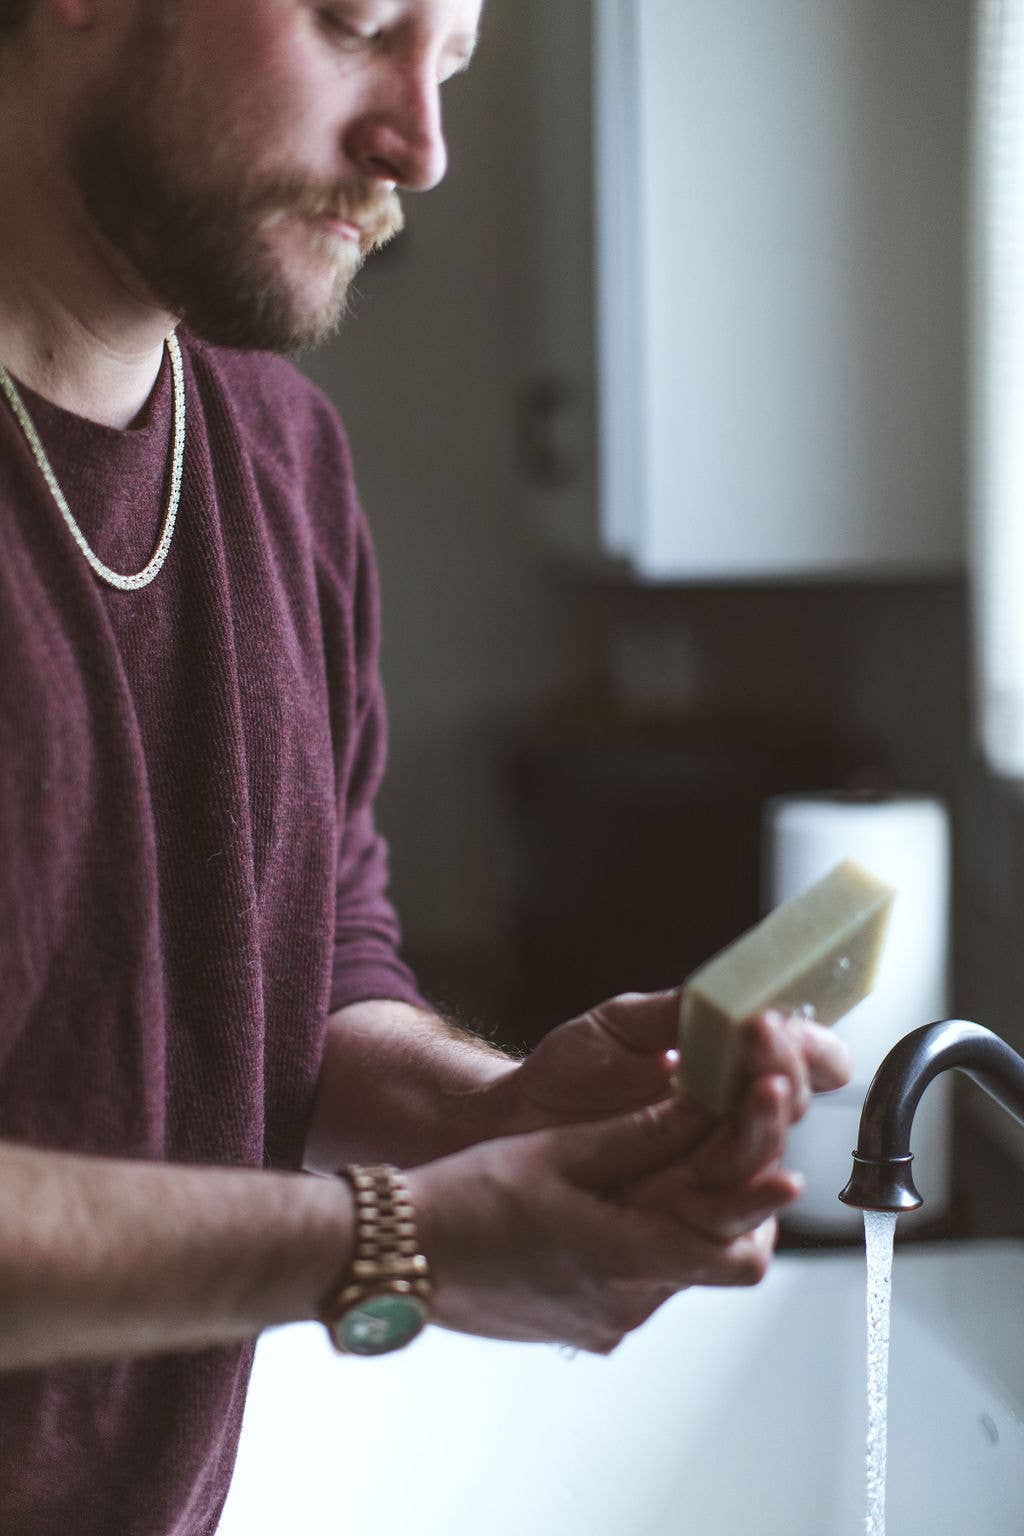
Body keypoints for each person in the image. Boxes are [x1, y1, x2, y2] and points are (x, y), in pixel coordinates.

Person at [0, 1, 852, 1533]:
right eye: (356, 25)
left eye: (448, 64)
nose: (420, 147)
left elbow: (315, 966)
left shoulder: (285, 459)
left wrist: (495, 1112)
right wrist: (399, 1245)